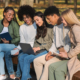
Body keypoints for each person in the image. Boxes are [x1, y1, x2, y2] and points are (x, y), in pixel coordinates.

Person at [33, 6, 71, 80]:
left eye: (48, 18)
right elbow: (54, 43)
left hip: (64, 55)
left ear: (54, 16)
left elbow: (69, 45)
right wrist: (50, 53)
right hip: (56, 53)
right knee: (36, 61)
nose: (48, 21)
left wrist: (54, 55)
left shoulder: (66, 26)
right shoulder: (55, 28)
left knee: (48, 64)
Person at [18, 11, 53, 80]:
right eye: (35, 21)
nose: (36, 22)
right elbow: (36, 41)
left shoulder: (50, 29)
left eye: (37, 20)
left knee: (27, 59)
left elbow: (50, 44)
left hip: (46, 50)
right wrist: (34, 48)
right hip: (39, 50)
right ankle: (27, 77)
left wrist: (39, 47)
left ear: (42, 18)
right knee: (21, 58)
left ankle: (24, 78)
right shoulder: (38, 28)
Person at [48, 9, 80, 80]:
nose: (62, 21)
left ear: (69, 19)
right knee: (51, 67)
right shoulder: (72, 28)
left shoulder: (75, 28)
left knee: (58, 71)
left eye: (64, 20)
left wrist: (68, 54)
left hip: (76, 59)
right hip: (72, 57)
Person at [0, 7, 20, 80]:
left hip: (12, 45)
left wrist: (9, 41)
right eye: (9, 14)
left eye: (12, 15)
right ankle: (2, 74)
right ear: (4, 13)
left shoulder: (14, 24)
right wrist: (2, 40)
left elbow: (18, 38)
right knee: (0, 54)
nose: (11, 16)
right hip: (2, 45)